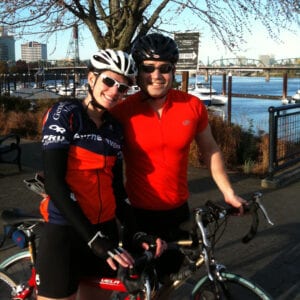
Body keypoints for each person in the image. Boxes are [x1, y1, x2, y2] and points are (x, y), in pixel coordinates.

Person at [110, 33, 246, 283]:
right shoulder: (122, 111)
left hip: (178, 212)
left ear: (173, 70)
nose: (157, 75)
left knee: (171, 278)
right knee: (140, 282)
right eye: (148, 68)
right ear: (138, 72)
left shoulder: (192, 106)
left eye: (165, 68)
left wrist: (228, 192)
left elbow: (210, 149)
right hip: (138, 215)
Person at [35, 49, 138, 300]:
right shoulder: (66, 114)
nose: (115, 91)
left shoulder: (115, 128)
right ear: (91, 78)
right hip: (65, 231)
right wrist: (92, 238)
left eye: (123, 88)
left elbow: (117, 190)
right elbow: (55, 184)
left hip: (104, 232)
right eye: (109, 81)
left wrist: (137, 230)